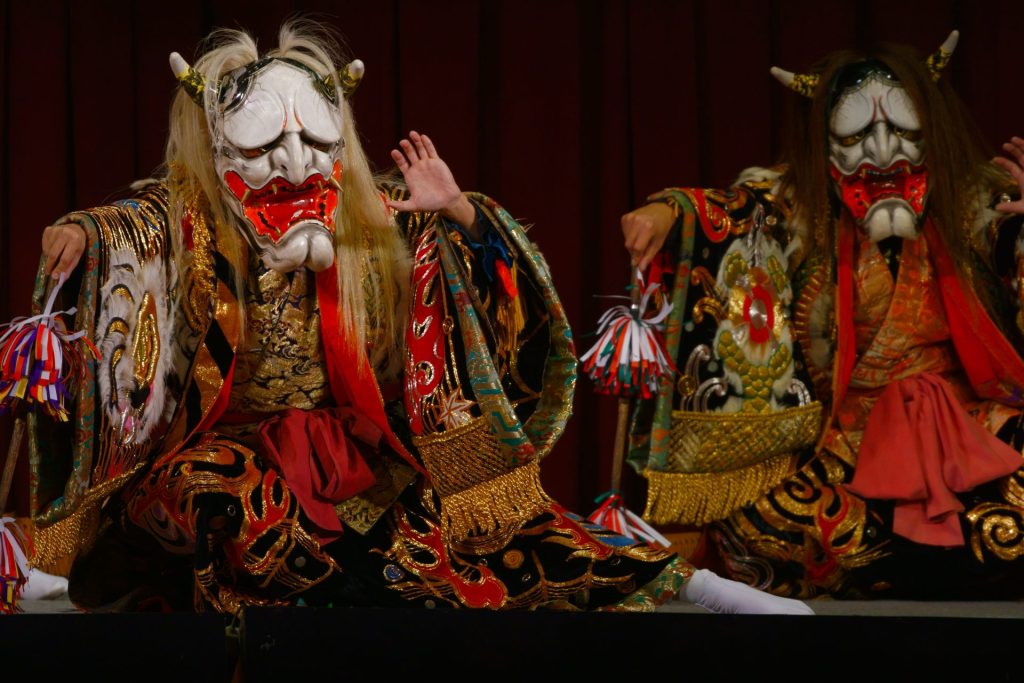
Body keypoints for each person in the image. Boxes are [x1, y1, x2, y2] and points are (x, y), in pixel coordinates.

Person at [18, 20, 810, 615]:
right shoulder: (191, 222)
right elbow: (138, 222)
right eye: (264, 151)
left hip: (353, 455)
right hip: (231, 454)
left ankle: (684, 584)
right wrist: (86, 231)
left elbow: (500, 313)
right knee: (223, 500)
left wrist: (459, 212)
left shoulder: (378, 222)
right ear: (218, 154)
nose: (294, 163)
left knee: (487, 536)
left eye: (315, 144)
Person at [621, 31, 1024, 599]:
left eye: (904, 132)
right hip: (854, 442)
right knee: (763, 530)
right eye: (856, 136)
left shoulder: (976, 200)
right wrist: (672, 210)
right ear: (826, 143)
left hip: (973, 428)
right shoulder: (801, 202)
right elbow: (741, 209)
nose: (883, 153)